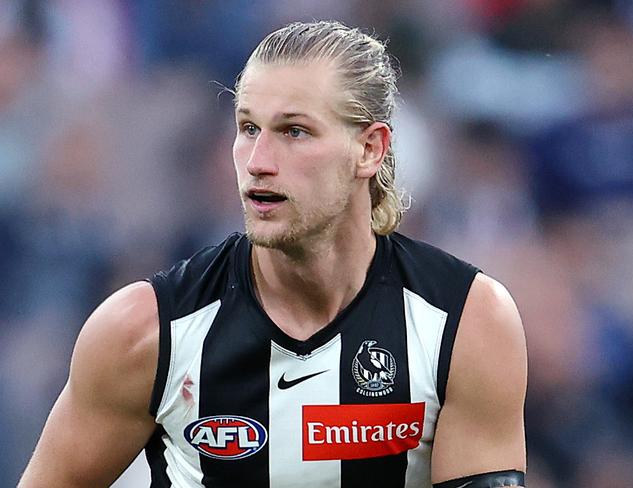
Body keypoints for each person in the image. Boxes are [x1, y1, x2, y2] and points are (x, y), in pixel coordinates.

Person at [19, 21, 527, 488]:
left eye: (294, 132)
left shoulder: (466, 322)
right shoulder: (144, 332)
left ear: (370, 149)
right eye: (247, 128)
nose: (258, 162)